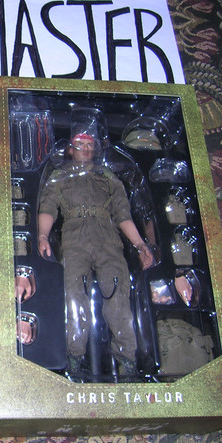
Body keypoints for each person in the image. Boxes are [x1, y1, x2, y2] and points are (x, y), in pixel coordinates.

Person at [37, 132, 154, 377]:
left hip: (107, 239)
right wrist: (43, 236)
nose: (86, 149)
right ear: (70, 149)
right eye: (80, 145)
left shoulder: (108, 178)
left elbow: (123, 215)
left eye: (90, 145)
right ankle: (73, 357)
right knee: (74, 297)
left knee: (118, 297)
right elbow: (47, 207)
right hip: (74, 238)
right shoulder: (60, 176)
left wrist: (140, 245)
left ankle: (127, 360)